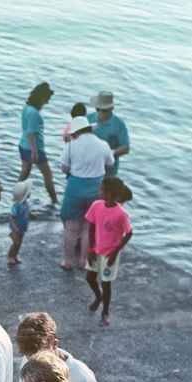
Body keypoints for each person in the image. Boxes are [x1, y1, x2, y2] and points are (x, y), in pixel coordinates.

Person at [60, 115, 115, 270]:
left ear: (76, 132)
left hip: (75, 187)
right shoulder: (103, 144)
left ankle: (67, 261)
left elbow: (64, 167)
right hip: (96, 188)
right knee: (87, 227)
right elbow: (111, 163)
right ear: (89, 128)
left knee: (71, 227)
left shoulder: (71, 145)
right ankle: (83, 261)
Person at [85, 176, 134, 327]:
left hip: (109, 254)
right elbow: (92, 227)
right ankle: (98, 297)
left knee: (106, 284)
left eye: (102, 190)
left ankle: (105, 312)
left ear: (112, 194)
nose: (99, 191)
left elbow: (129, 233)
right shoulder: (96, 205)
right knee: (90, 278)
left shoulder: (121, 214)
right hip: (96, 249)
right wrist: (90, 248)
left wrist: (115, 252)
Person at [17, 82, 57, 205]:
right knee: (48, 175)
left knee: (24, 173)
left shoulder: (27, 108)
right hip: (34, 148)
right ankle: (54, 201)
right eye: (47, 99)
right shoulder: (34, 113)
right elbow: (31, 133)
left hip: (23, 145)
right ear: (41, 98)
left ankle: (17, 198)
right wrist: (35, 151)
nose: (48, 102)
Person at [87, 92, 130, 175]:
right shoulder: (88, 118)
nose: (100, 113)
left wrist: (110, 153)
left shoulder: (119, 124)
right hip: (89, 166)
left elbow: (126, 148)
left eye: (104, 110)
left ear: (111, 108)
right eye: (98, 109)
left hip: (108, 170)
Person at [7, 178, 31, 267]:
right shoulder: (17, 206)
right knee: (16, 243)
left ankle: (15, 255)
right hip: (16, 227)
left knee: (19, 242)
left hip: (22, 227)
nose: (30, 193)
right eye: (28, 192)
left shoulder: (26, 203)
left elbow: (27, 212)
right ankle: (10, 256)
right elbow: (11, 217)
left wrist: (32, 215)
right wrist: (14, 227)